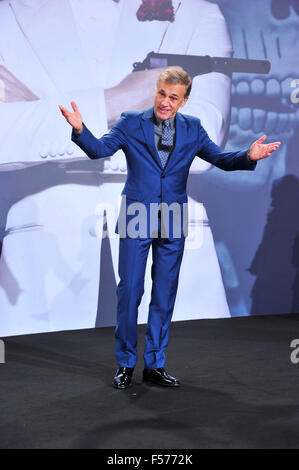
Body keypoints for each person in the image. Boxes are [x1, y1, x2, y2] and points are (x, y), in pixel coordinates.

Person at [59, 66, 281, 388]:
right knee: (130, 292)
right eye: (161, 93)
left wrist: (248, 155)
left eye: (173, 97)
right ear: (156, 91)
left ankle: (155, 364)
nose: (165, 102)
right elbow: (100, 150)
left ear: (184, 100)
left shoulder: (193, 129)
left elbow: (220, 159)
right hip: (138, 215)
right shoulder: (131, 122)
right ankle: (125, 363)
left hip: (173, 219)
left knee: (164, 294)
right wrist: (81, 130)